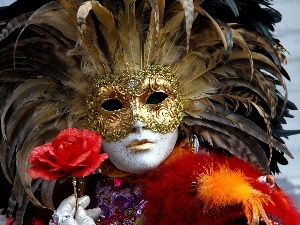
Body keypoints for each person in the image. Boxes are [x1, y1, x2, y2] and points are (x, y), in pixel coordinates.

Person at [0, 0, 300, 224]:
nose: (138, 123)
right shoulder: (65, 203)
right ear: (84, 121)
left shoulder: (223, 205)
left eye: (155, 99)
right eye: (113, 105)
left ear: (186, 108)